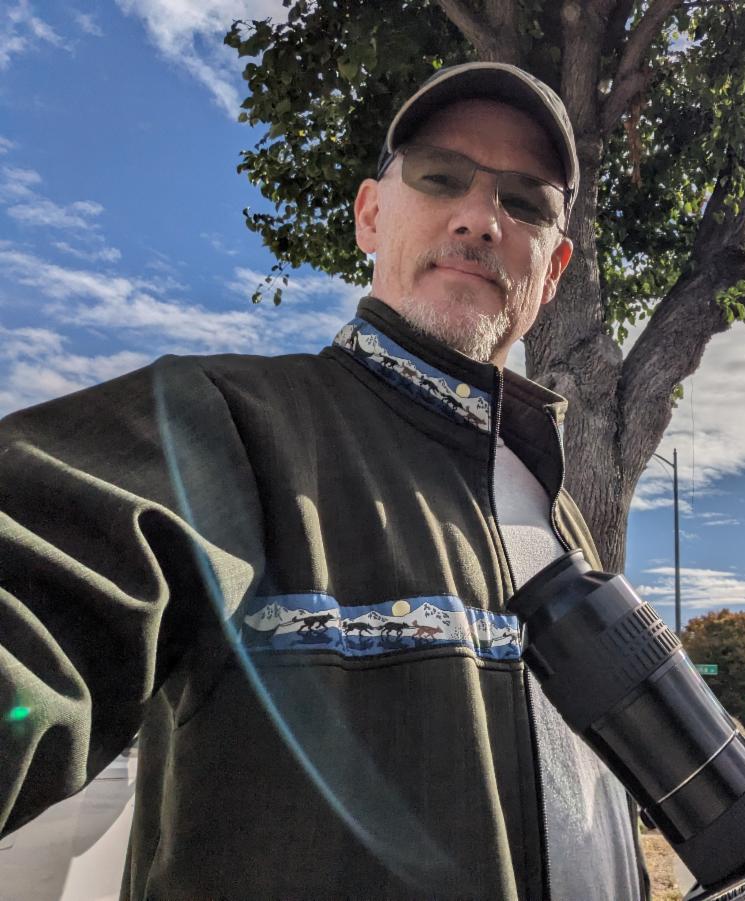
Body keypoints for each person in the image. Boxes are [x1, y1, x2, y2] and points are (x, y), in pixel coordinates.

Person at [0, 63, 647, 900]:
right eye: (441, 176)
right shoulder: (225, 427)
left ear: (553, 269)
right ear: (371, 215)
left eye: (524, 202)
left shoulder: (561, 521)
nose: (481, 219)